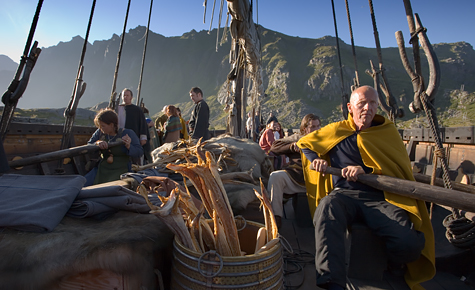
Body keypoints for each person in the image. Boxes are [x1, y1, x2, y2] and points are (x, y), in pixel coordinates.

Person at [297, 86, 435, 290]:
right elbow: (304, 143)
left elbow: (397, 169)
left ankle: (395, 263)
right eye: (362, 103)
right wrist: (316, 159)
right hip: (344, 195)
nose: (367, 108)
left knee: (409, 242)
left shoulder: (387, 133)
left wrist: (366, 171)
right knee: (327, 208)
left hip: (380, 197)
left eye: (373, 104)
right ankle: (331, 280)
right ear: (350, 107)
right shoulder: (336, 130)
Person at [268, 114, 321, 228]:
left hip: (318, 180)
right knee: (276, 177)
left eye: (318, 126)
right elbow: (275, 147)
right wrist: (292, 146)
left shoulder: (324, 139)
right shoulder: (298, 138)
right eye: (312, 127)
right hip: (296, 177)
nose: (316, 130)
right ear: (305, 129)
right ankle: (276, 219)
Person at [86, 109, 143, 185]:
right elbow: (89, 146)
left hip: (122, 170)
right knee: (83, 184)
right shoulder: (100, 133)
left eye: (103, 126)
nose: (100, 128)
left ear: (112, 125)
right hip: (102, 169)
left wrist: (129, 146)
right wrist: (97, 143)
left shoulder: (128, 133)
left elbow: (139, 152)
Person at [117, 88, 148, 164]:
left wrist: (143, 137)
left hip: (134, 137)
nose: (125, 97)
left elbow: (143, 124)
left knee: (135, 158)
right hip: (120, 136)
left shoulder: (137, 110)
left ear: (131, 97)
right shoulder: (118, 108)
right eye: (124, 95)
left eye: (127, 95)